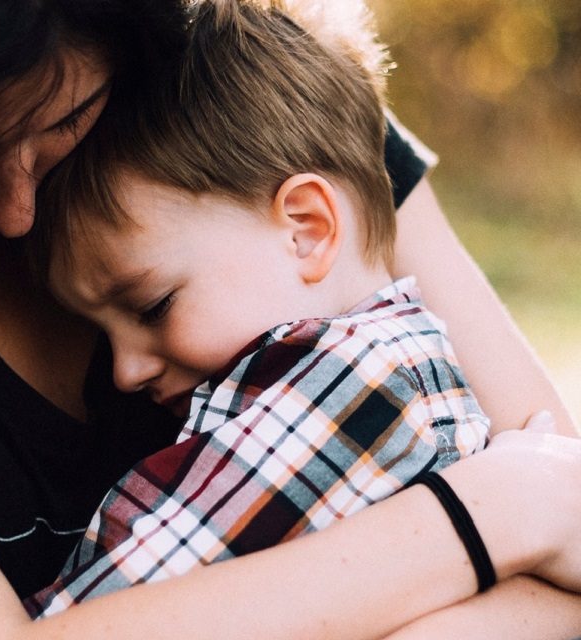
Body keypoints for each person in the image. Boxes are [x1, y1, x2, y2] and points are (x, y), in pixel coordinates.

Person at [0, 0, 579, 638]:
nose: (12, 210)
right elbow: (545, 504)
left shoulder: (255, 113)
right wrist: (484, 518)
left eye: (62, 119)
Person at [24, 0, 492, 615]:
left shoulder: (350, 386)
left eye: (152, 306)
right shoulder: (400, 363)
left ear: (306, 230)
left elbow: (116, 605)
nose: (123, 371)